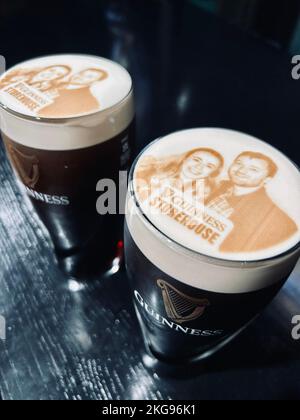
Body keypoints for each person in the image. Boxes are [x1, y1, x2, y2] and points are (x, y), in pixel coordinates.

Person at [207, 151, 298, 253]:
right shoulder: (209, 187)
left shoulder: (280, 222)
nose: (241, 170)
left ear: (267, 179)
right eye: (239, 164)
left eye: (253, 169)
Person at [136, 148, 224, 203]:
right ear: (184, 159)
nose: (199, 167)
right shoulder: (151, 171)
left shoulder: (204, 196)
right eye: (196, 160)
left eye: (209, 166)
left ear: (213, 173)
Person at [38, 68, 108, 117]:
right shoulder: (53, 83)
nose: (80, 76)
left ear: (95, 81)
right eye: (81, 73)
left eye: (89, 76)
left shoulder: (90, 102)